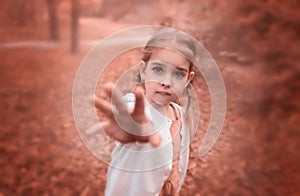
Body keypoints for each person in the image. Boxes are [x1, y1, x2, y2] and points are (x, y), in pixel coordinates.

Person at [95, 28, 198, 196]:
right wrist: (135, 130)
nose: (166, 82)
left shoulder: (180, 114)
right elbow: (133, 118)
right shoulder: (136, 108)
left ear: (188, 79)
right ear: (143, 71)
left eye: (179, 73)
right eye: (158, 70)